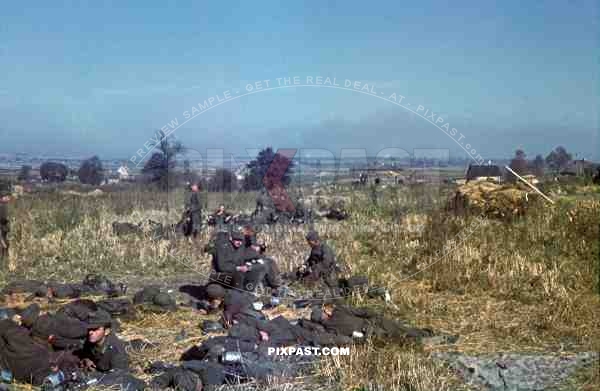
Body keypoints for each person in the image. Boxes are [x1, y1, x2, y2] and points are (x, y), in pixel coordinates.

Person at [299, 231, 340, 297]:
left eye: (309, 242)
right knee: (323, 293)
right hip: (320, 275)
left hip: (330, 274)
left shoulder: (325, 248)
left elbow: (326, 262)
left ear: (315, 240)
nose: (308, 244)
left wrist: (313, 269)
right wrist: (304, 266)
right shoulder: (314, 249)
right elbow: (310, 260)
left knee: (334, 293)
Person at [0, 193, 11, 263]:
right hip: (2, 225)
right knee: (4, 242)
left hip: (4, 225)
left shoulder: (4, 206)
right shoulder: (2, 206)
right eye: (6, 197)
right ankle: (4, 255)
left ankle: (4, 256)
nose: (8, 198)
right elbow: (3, 218)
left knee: (4, 241)